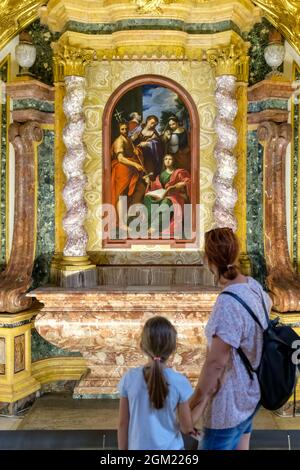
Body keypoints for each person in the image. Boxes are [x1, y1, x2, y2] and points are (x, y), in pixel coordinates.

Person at [189, 227, 271, 450]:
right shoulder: (254, 288)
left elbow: (217, 363)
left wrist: (194, 403)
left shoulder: (227, 302)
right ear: (235, 253)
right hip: (251, 393)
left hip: (228, 405)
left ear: (208, 260)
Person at [118, 316, 200, 450]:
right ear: (173, 348)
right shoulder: (179, 382)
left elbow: (123, 424)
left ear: (142, 346)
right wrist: (206, 398)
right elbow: (187, 428)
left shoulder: (129, 379)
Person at [143, 154, 191, 236]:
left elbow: (189, 181)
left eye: (170, 159)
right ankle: (150, 224)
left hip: (176, 196)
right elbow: (157, 186)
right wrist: (149, 182)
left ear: (173, 161)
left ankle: (155, 227)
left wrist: (181, 184)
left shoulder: (179, 172)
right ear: (163, 161)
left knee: (166, 202)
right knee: (147, 197)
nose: (168, 161)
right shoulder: (162, 175)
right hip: (163, 195)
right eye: (166, 159)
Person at [111, 122, 145, 229]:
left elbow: (130, 152)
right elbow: (120, 158)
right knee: (122, 195)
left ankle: (130, 218)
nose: (125, 131)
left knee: (136, 191)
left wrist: (136, 152)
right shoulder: (119, 141)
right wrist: (135, 163)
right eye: (122, 129)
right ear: (119, 130)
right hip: (122, 170)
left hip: (130, 170)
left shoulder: (128, 139)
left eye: (126, 129)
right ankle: (121, 223)